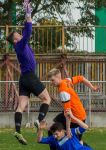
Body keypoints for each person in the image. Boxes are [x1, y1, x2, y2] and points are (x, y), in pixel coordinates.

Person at [6, 1, 51, 145]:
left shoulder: (19, 45)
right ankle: (39, 120)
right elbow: (29, 30)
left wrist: (27, 13)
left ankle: (18, 131)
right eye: (18, 34)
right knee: (47, 99)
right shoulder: (20, 44)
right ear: (15, 39)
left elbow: (26, 30)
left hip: (23, 79)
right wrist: (28, 13)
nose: (20, 34)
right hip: (30, 77)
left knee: (21, 106)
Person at [47, 68, 98, 140]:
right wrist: (92, 87)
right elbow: (81, 78)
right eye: (50, 81)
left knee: (74, 141)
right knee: (52, 129)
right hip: (79, 114)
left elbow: (68, 113)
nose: (51, 82)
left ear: (58, 77)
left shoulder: (63, 91)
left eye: (52, 80)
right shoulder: (67, 81)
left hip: (76, 117)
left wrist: (68, 129)